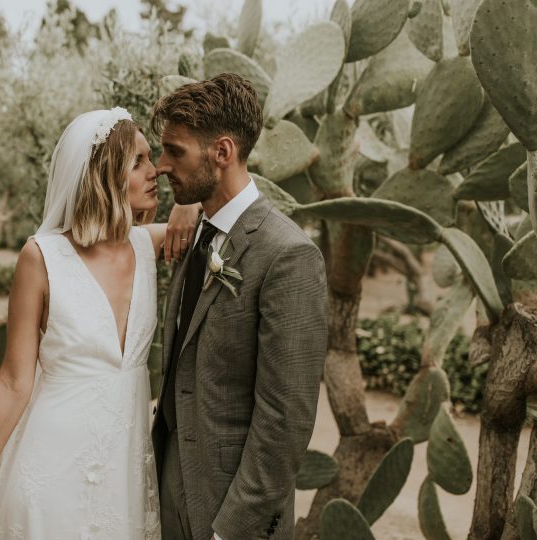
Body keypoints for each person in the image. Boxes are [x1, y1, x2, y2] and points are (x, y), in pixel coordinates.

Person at [0, 107, 198, 540]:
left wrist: (190, 202)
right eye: (136, 162)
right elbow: (12, 380)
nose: (154, 169)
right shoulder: (41, 257)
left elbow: (222, 207)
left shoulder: (147, 244)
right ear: (104, 177)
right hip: (51, 469)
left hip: (126, 475)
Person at [150, 73, 329, 540]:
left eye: (175, 151)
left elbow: (285, 419)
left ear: (222, 153)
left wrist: (231, 529)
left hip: (231, 510)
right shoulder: (197, 236)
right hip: (172, 485)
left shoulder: (288, 255)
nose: (161, 165)